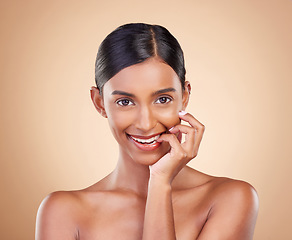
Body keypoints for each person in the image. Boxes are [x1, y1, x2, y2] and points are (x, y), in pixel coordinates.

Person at [35, 23, 259, 240]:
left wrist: (160, 182)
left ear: (185, 96)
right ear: (99, 103)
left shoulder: (231, 198)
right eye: (125, 102)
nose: (145, 123)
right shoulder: (62, 212)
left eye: (162, 99)